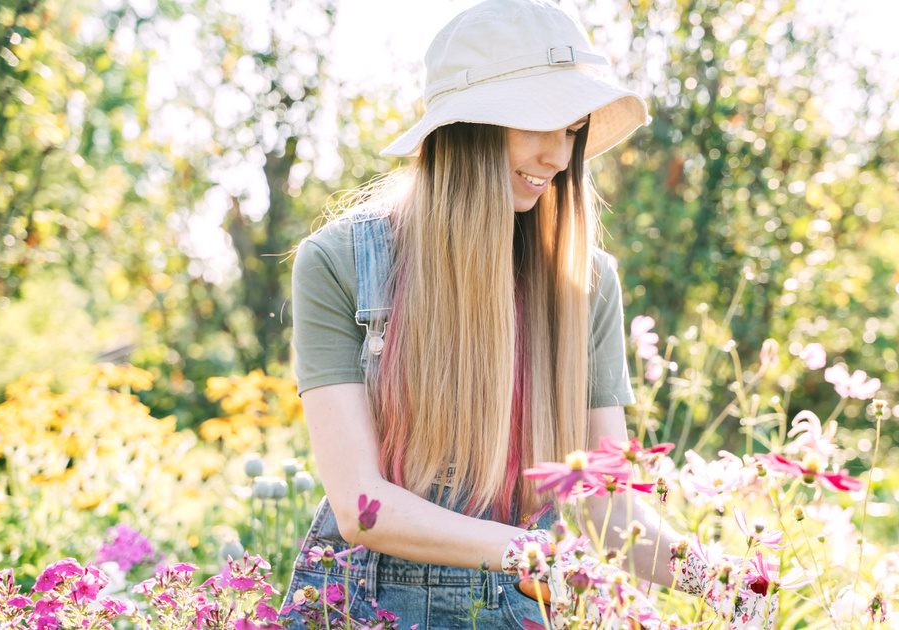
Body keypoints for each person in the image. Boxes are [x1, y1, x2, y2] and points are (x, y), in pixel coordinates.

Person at [277, 1, 775, 628]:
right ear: (468, 128)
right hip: (363, 605)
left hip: (520, 606)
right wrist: (533, 553)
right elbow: (361, 504)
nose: (559, 158)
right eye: (538, 124)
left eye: (570, 130)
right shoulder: (343, 261)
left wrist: (732, 582)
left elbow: (609, 509)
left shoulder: (585, 282)